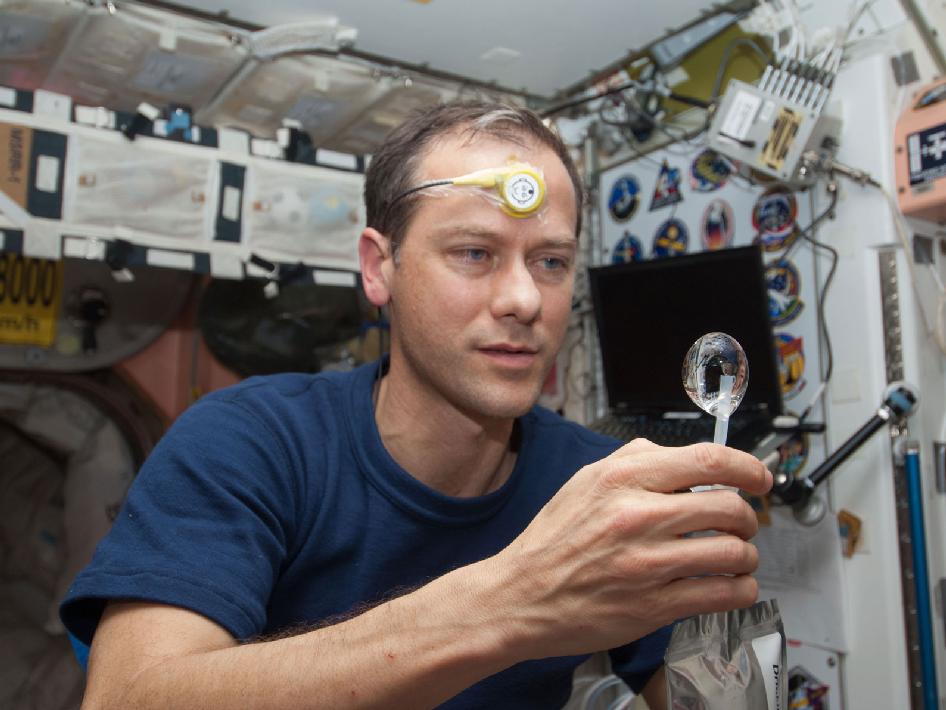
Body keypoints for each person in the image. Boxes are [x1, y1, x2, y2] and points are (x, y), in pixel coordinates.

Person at [61, 100, 772, 709]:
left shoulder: (601, 485)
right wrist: (513, 603)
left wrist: (726, 647)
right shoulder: (249, 443)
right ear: (380, 267)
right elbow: (128, 696)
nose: (525, 299)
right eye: (474, 253)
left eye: (550, 261)